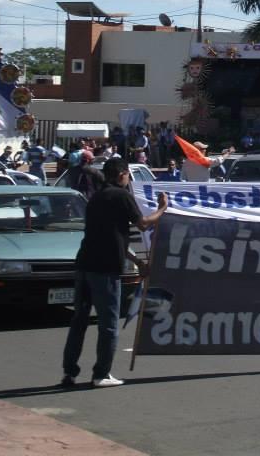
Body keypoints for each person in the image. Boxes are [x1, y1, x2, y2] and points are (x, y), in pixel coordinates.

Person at [61, 159, 168, 388]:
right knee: (108, 323)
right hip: (105, 269)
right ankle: (101, 374)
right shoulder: (121, 196)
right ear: (121, 174)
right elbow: (143, 224)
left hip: (84, 265)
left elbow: (113, 238)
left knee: (78, 321)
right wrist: (163, 208)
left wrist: (137, 260)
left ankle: (69, 373)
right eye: (128, 174)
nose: (128, 178)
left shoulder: (97, 197)